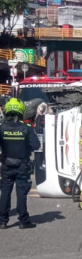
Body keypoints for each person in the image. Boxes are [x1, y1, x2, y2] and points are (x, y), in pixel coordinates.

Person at [0, 98, 40, 229]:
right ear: (21, 111)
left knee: (5, 192)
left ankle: (2, 221)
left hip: (6, 164)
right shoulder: (26, 128)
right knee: (21, 193)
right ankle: (23, 221)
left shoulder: (2, 128)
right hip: (22, 165)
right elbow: (36, 145)